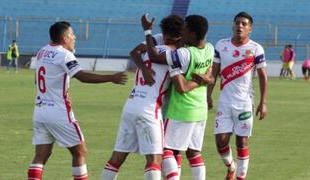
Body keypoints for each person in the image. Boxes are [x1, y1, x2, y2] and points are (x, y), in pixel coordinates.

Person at [27, 21, 127, 180]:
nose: (74, 37)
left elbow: (37, 80)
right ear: (65, 38)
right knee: (80, 152)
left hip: (40, 110)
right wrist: (110, 77)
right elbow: (82, 76)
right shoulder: (64, 55)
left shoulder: (42, 51)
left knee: (41, 155)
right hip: (59, 112)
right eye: (72, 34)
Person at [101, 14, 188, 180]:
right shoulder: (174, 56)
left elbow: (136, 53)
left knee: (117, 157)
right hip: (149, 109)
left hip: (131, 105)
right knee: (154, 159)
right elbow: (180, 85)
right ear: (180, 35)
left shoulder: (150, 49)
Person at [142, 14, 214, 180]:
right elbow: (209, 77)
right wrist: (205, 80)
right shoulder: (210, 49)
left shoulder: (183, 54)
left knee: (164, 149)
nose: (182, 32)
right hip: (200, 110)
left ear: (193, 33)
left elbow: (154, 57)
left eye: (185, 29)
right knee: (193, 152)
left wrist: (147, 31)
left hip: (182, 109)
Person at [203, 12, 268, 180]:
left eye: (244, 24)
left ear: (250, 29)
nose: (240, 26)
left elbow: (262, 76)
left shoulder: (256, 48)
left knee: (242, 142)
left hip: (245, 103)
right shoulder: (221, 45)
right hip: (224, 102)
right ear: (233, 26)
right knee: (221, 141)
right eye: (237, 23)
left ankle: (240, 177)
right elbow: (214, 73)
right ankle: (231, 166)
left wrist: (263, 102)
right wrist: (208, 95)